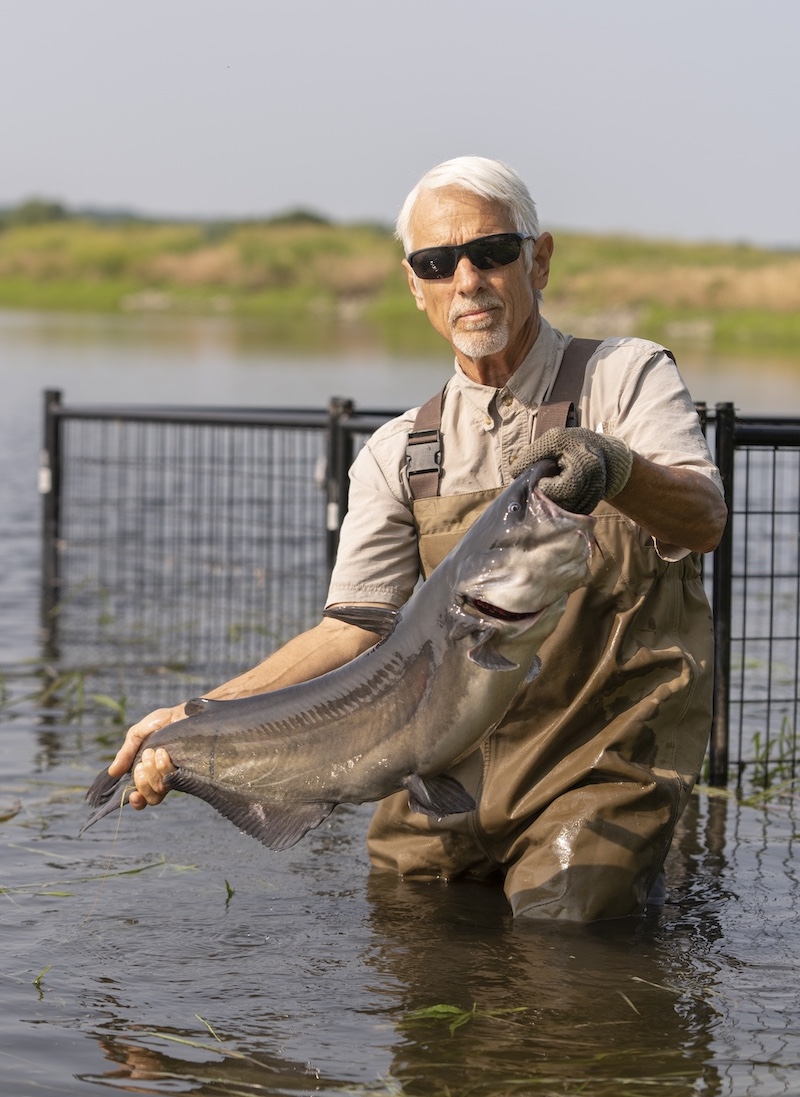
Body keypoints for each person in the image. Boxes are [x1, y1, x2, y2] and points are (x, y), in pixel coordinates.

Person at [106, 156, 727, 921]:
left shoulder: (626, 376)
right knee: (405, 938)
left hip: (600, 766)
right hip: (436, 766)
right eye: (437, 262)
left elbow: (703, 519)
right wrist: (194, 715)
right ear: (415, 285)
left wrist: (616, 467)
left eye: (491, 252)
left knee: (567, 942)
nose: (466, 279)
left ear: (539, 259)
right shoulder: (396, 450)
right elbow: (348, 630)